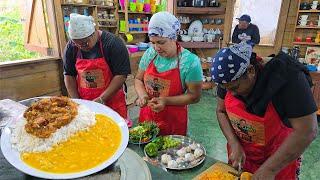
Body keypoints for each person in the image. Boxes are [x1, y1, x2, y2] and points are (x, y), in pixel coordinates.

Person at [211, 42, 318, 179]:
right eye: (226, 89)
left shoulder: (289, 78)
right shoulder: (227, 76)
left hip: (279, 160)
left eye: (235, 88)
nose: (231, 93)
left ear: (250, 70)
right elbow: (221, 111)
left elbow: (307, 131)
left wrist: (270, 170)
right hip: (245, 156)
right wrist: (233, 142)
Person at [134, 12, 203, 136]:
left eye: (161, 42)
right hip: (148, 117)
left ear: (174, 37)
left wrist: (165, 101)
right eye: (153, 42)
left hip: (173, 121)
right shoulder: (150, 54)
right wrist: (143, 96)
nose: (156, 48)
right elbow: (138, 79)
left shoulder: (190, 62)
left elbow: (194, 96)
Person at [63, 13, 132, 126]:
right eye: (77, 44)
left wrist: (101, 99)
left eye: (85, 42)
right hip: (86, 102)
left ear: (94, 31)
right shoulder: (71, 47)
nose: (82, 46)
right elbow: (69, 75)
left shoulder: (113, 44)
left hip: (112, 101)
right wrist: (77, 102)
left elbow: (121, 75)